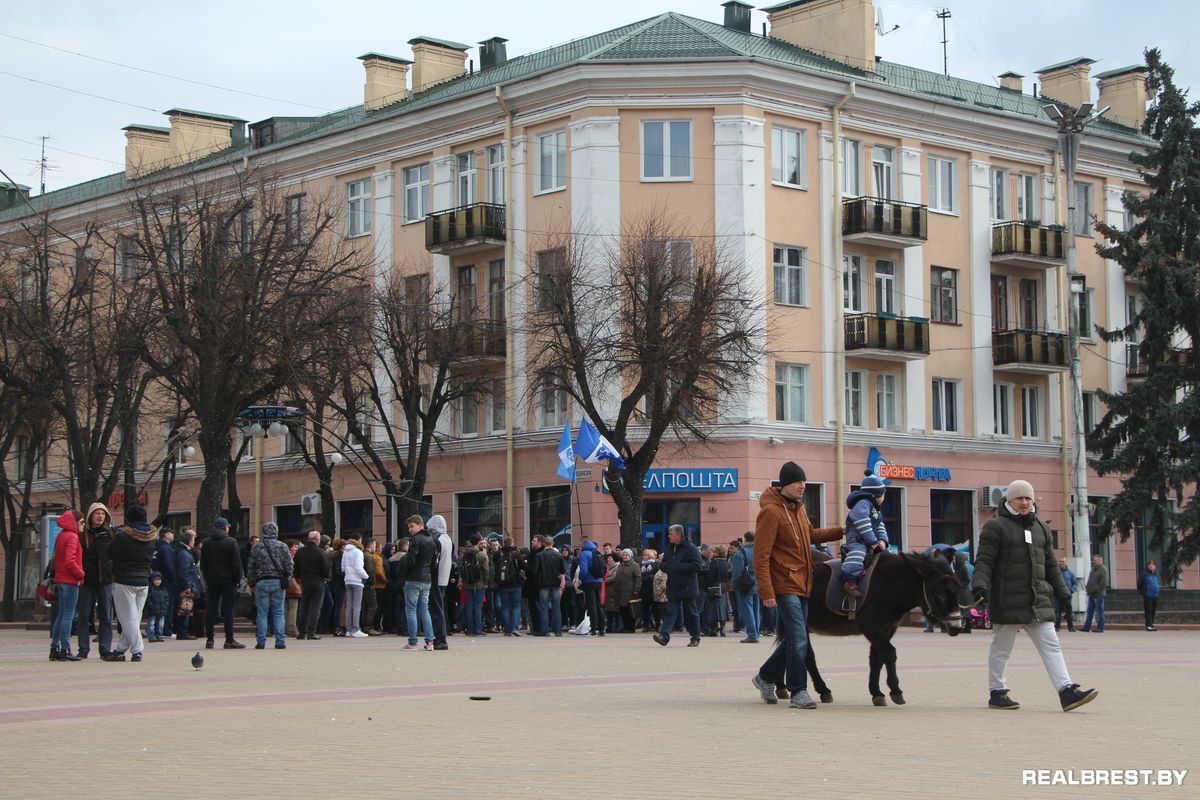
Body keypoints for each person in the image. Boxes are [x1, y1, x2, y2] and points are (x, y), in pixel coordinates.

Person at [972, 479, 1098, 712]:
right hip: (1007, 599)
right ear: (1009, 501)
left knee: (1051, 645)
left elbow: (1050, 565)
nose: (1024, 502)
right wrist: (980, 585)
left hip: (1037, 600)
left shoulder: (1040, 527)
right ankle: (997, 692)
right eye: (1019, 498)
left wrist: (1063, 595)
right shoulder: (996, 526)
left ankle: (1066, 691)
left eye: (1028, 498)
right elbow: (985, 561)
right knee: (1001, 647)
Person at [750, 461, 844, 709]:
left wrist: (842, 531)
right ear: (785, 485)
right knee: (799, 636)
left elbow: (810, 536)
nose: (803, 486)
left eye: (803, 481)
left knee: (796, 637)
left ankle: (765, 676)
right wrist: (766, 590)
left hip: (803, 581)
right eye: (798, 482)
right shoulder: (771, 512)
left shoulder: (798, 509)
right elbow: (761, 555)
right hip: (784, 583)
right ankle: (798, 691)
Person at [105, 505, 159, 662]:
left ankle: (137, 650)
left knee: (127, 618)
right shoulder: (152, 537)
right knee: (134, 618)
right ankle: (120, 649)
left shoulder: (122, 536)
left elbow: (109, 553)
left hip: (124, 580)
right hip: (143, 581)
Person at [653, 525, 703, 647]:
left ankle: (695, 637)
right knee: (670, 611)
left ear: (679, 534)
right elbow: (664, 563)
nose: (669, 536)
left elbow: (697, 566)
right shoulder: (670, 548)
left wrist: (677, 566)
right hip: (673, 585)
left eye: (671, 533)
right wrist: (666, 567)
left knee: (691, 613)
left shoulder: (691, 548)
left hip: (688, 587)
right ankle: (664, 636)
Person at [839, 474, 889, 596]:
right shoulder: (863, 504)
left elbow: (879, 525)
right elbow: (862, 522)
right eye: (883, 494)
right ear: (876, 495)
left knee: (888, 558)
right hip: (857, 540)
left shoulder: (875, 509)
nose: (884, 497)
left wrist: (883, 540)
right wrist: (873, 542)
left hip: (871, 542)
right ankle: (850, 581)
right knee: (858, 554)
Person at [75, 502, 114, 659]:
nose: (100, 516)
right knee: (84, 616)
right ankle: (83, 649)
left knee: (106, 616)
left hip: (105, 580)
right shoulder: (82, 535)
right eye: (97, 513)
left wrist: (113, 572)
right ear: (90, 515)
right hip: (86, 581)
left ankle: (105, 649)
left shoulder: (110, 534)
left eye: (103, 514)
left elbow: (115, 555)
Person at [199, 517, 245, 650]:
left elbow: (203, 564)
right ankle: (229, 640)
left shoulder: (207, 543)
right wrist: (237, 580)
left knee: (211, 609)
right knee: (228, 610)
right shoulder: (231, 542)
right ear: (225, 528)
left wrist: (207, 578)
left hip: (212, 579)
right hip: (228, 580)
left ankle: (209, 639)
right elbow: (236, 564)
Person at [247, 522, 293, 650]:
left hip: (261, 582)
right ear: (276, 532)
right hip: (278, 582)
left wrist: (251, 583)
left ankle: (261, 641)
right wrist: (286, 575)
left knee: (262, 612)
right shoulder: (282, 546)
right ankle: (280, 641)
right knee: (278, 611)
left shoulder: (257, 547)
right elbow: (290, 565)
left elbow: (250, 567)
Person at [51, 509, 84, 661]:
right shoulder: (72, 537)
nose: (83, 525)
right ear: (75, 522)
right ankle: (65, 649)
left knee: (61, 614)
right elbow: (70, 561)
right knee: (68, 615)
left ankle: (55, 648)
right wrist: (81, 574)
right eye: (82, 522)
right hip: (70, 580)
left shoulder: (61, 536)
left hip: (61, 579)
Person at [401, 515, 436, 650]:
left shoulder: (415, 540)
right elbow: (434, 561)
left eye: (412, 526)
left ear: (420, 525)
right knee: (424, 610)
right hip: (427, 578)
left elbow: (411, 560)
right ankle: (429, 642)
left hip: (413, 578)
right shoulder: (431, 539)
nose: (410, 529)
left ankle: (413, 642)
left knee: (411, 610)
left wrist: (405, 570)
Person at [294, 530, 330, 640]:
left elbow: (295, 569)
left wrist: (300, 577)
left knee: (303, 607)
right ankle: (311, 632)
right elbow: (326, 569)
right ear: (318, 540)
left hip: (305, 581)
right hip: (318, 581)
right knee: (315, 607)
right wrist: (325, 576)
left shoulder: (300, 552)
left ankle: (301, 632)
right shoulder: (321, 552)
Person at [427, 514, 453, 649]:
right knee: (440, 607)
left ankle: (440, 639)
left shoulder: (437, 540)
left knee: (436, 609)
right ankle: (442, 635)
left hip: (436, 577)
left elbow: (433, 561)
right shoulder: (448, 539)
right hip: (444, 577)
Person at [532, 534, 565, 636]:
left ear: (544, 544)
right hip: (555, 584)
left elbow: (535, 571)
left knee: (544, 607)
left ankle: (545, 630)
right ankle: (558, 630)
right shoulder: (559, 556)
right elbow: (562, 571)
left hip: (543, 584)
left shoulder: (539, 555)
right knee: (556, 607)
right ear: (553, 543)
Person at [731, 531, 759, 643]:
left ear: (744, 539)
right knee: (756, 610)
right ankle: (756, 632)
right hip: (757, 583)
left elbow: (737, 572)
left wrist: (734, 585)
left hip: (744, 584)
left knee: (747, 609)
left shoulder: (741, 552)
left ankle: (752, 635)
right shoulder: (759, 551)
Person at [171, 529, 200, 640]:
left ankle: (183, 631)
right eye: (193, 539)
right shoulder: (184, 554)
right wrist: (187, 585)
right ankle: (183, 631)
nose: (194, 541)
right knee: (185, 609)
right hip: (186, 586)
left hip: (186, 584)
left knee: (186, 609)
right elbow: (184, 571)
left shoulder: (184, 553)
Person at [494, 535, 524, 636]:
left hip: (502, 584)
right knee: (516, 606)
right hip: (516, 584)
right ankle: (514, 628)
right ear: (512, 544)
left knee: (505, 607)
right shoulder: (516, 554)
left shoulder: (498, 554)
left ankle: (507, 629)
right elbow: (524, 566)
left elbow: (495, 567)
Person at [341, 532, 370, 638]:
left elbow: (343, 568)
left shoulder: (345, 551)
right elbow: (359, 567)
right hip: (357, 581)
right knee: (357, 606)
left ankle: (348, 630)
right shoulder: (358, 552)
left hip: (347, 580)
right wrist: (366, 576)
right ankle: (356, 629)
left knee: (349, 605)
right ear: (359, 540)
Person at [461, 533, 490, 636]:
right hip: (479, 583)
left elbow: (462, 569)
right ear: (478, 542)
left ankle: (469, 629)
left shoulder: (466, 553)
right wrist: (486, 582)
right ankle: (477, 629)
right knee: (478, 607)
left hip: (468, 583)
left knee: (469, 606)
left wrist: (463, 581)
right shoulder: (481, 554)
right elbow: (486, 570)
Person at [577, 538, 607, 636]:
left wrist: (581, 578)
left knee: (592, 605)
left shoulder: (584, 554)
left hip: (589, 582)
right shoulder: (597, 552)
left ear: (583, 544)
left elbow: (584, 570)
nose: (579, 546)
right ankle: (602, 628)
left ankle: (594, 628)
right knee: (599, 605)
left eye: (580, 544)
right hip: (598, 581)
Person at [152, 529, 177, 638]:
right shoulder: (167, 549)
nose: (173, 535)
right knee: (168, 605)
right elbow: (169, 566)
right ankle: (166, 630)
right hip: (167, 581)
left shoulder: (156, 548)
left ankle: (158, 629)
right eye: (171, 533)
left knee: (158, 605)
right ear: (166, 535)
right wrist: (174, 578)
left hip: (157, 579)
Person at [1082, 554, 1109, 633]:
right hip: (1091, 594)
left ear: (1100, 561)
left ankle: (1100, 628)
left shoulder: (1104, 570)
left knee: (1099, 611)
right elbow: (1090, 580)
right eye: (1093, 560)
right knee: (1089, 611)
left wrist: (1095, 589)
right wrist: (1087, 588)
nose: (1093, 562)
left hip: (1099, 595)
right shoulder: (1093, 570)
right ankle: (1087, 627)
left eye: (1095, 560)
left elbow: (1103, 583)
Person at [145, 572, 170, 642]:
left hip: (162, 610)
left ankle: (159, 636)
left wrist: (165, 605)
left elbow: (167, 598)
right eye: (155, 580)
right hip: (152, 610)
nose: (157, 581)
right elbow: (148, 599)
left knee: (160, 625)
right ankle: (151, 636)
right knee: (151, 624)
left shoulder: (164, 589)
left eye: (159, 580)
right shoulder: (150, 589)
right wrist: (151, 606)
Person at [1137, 561, 1161, 631]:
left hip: (1155, 595)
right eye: (1150, 565)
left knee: (1153, 610)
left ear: (1155, 567)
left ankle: (1151, 624)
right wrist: (1142, 592)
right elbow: (1139, 584)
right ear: (1147, 566)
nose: (1151, 566)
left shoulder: (1155, 574)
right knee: (1148, 610)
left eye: (1153, 565)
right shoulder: (1144, 574)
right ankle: (1148, 625)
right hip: (1147, 595)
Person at [1056, 556, 1077, 632]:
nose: (1061, 563)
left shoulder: (1070, 573)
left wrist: (1071, 590)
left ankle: (1070, 627)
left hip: (1067, 595)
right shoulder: (1056, 573)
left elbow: (1075, 583)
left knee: (1068, 613)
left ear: (1066, 563)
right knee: (1057, 612)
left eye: (1062, 561)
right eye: (1060, 561)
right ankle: (1057, 627)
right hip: (1057, 595)